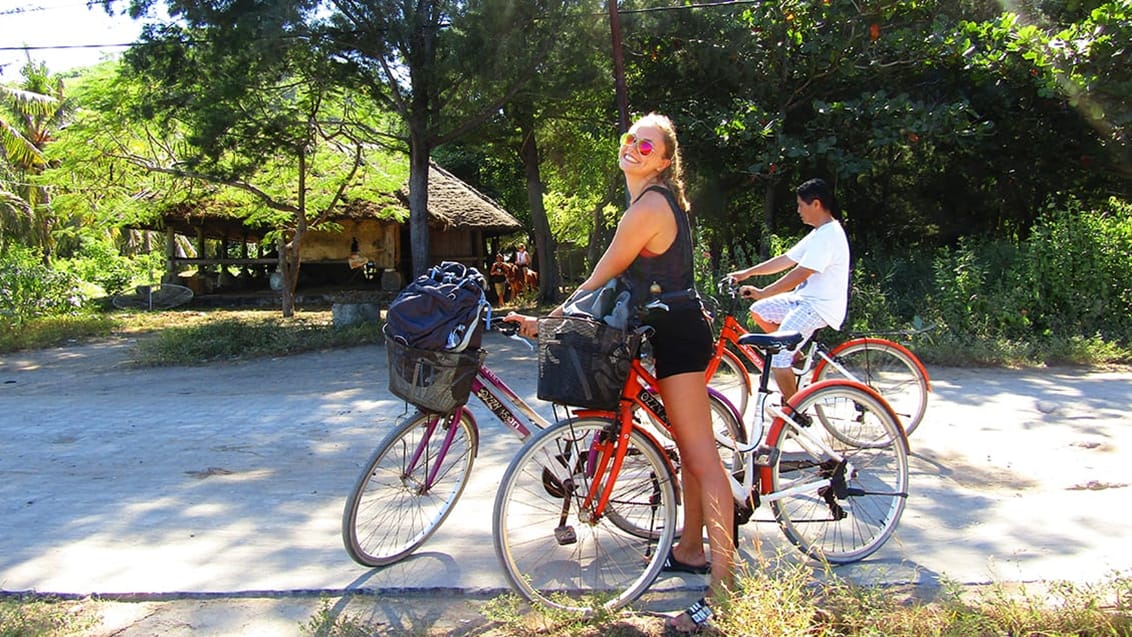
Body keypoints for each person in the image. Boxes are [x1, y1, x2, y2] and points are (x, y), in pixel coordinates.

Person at [504, 113, 733, 634]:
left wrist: (549, 321)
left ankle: (724, 593)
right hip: (666, 331)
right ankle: (691, 548)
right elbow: (615, 289)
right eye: (630, 140)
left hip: (676, 336)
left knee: (701, 457)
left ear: (664, 160)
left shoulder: (649, 207)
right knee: (688, 451)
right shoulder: (648, 202)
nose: (634, 147)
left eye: (646, 145)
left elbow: (600, 277)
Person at [727, 177, 850, 402]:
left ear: (816, 204)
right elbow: (786, 260)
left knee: (778, 359)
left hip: (817, 307)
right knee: (759, 310)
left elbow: (800, 273)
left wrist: (765, 291)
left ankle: (795, 411)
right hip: (802, 301)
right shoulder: (818, 233)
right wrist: (747, 273)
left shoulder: (829, 235)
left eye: (800, 205)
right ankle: (798, 357)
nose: (798, 211)